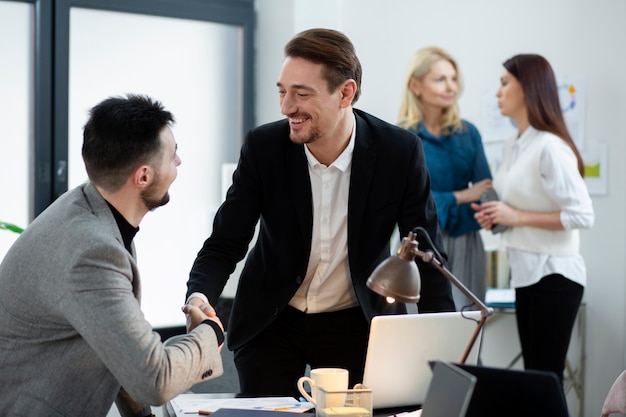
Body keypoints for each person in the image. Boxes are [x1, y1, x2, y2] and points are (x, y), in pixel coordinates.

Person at [185, 28, 455, 396]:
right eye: (282, 91)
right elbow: (225, 242)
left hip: (357, 321)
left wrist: (441, 356)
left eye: (301, 94)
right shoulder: (264, 148)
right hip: (272, 320)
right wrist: (199, 296)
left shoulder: (399, 152)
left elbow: (428, 256)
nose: (286, 107)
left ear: (346, 93)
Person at [0, 95, 225, 417]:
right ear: (143, 176)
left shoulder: (89, 209)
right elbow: (154, 380)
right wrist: (211, 332)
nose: (178, 163)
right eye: (173, 155)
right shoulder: (92, 252)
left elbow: (119, 353)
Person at [472, 54, 594, 384]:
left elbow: (582, 215)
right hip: (525, 275)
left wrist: (517, 215)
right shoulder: (514, 145)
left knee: (545, 379)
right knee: (537, 378)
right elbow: (520, 206)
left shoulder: (550, 147)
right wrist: (499, 217)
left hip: (554, 276)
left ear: (527, 89)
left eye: (504, 83)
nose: (498, 92)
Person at [398, 46, 493, 309]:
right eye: (440, 79)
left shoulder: (468, 133)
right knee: (422, 327)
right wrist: (460, 196)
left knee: (470, 321)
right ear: (415, 85)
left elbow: (486, 192)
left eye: (453, 79)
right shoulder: (402, 138)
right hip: (418, 244)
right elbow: (407, 203)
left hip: (466, 242)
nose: (450, 86)